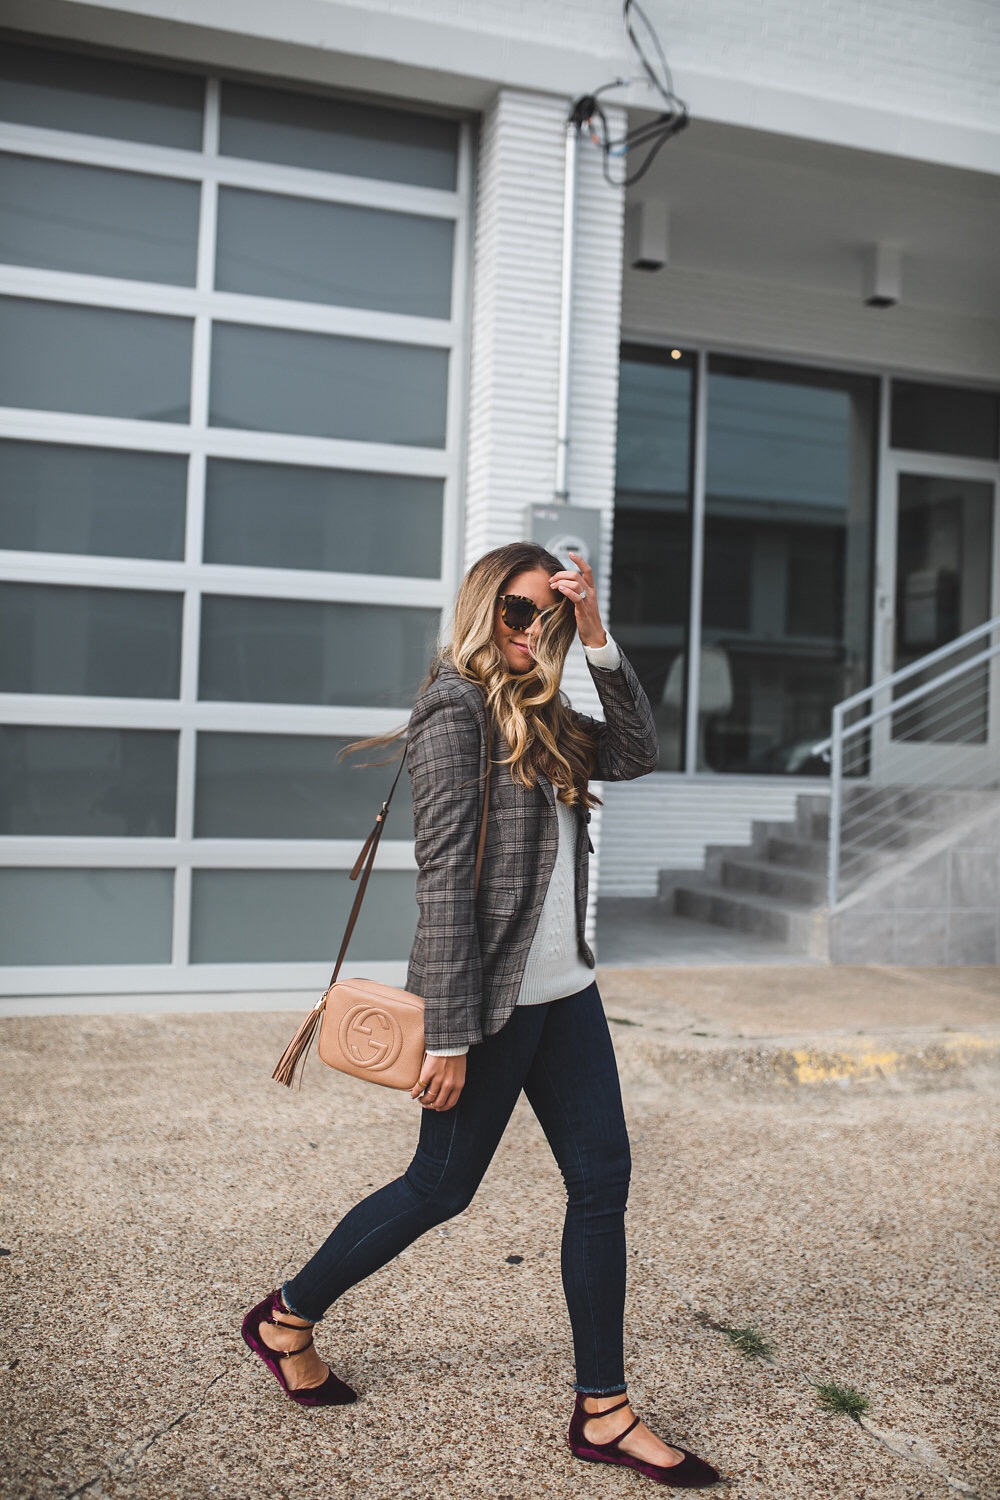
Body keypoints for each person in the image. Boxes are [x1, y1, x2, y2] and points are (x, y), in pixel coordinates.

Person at [242, 542, 721, 1489]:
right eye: (515, 610)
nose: (527, 629)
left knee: (602, 1184)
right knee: (440, 1188)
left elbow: (636, 753)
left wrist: (595, 637)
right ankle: (285, 1315)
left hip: (566, 993)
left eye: (543, 615)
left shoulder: (545, 709)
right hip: (492, 1005)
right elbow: (445, 888)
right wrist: (451, 1032)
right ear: (479, 606)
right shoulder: (453, 710)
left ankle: (604, 1410)